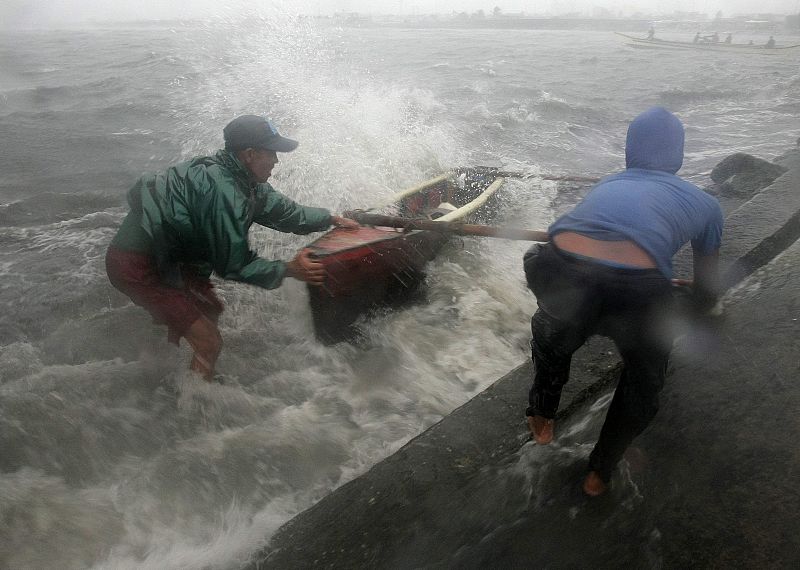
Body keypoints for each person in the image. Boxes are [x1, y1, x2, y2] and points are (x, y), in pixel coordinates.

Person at [523, 107, 723, 497]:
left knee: (554, 331)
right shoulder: (707, 205)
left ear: (631, 151)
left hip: (555, 270)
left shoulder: (609, 182)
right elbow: (706, 288)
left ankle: (542, 417)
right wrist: (695, 306)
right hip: (638, 292)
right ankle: (599, 473)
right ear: (678, 156)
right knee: (644, 379)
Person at [106, 115, 359, 381]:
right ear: (250, 154)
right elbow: (234, 265)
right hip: (136, 264)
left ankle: (165, 367)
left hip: (171, 257)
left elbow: (285, 212)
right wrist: (290, 269)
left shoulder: (245, 180)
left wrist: (330, 219)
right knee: (209, 342)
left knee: (208, 308)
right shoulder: (223, 192)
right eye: (271, 153)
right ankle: (188, 410)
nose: (276, 160)